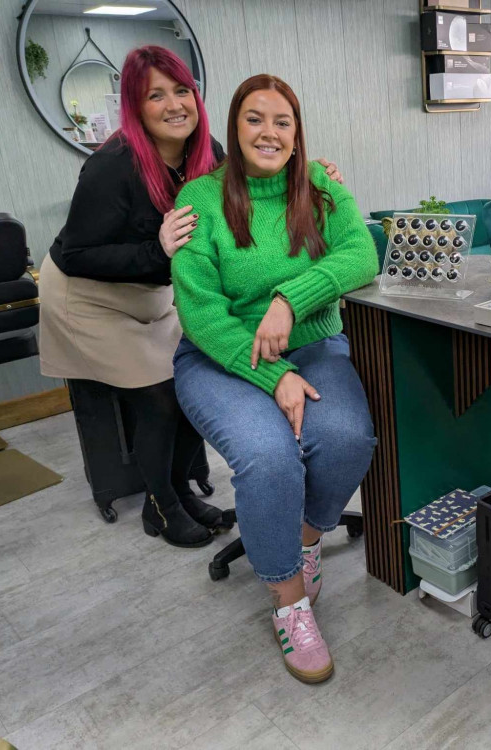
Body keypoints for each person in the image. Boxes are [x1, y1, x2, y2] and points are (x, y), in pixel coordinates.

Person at [39, 47, 344, 549]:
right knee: (158, 394)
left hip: (153, 288)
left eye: (182, 90)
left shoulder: (207, 152)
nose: (174, 104)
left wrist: (313, 176)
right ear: (135, 106)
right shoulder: (111, 166)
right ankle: (159, 506)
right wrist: (154, 248)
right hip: (89, 295)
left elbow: (253, 181)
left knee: (182, 387)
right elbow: (79, 254)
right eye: (155, 95)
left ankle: (178, 489)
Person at [171, 74, 378, 684]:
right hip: (220, 358)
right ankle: (289, 605)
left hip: (313, 343)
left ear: (297, 133)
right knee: (268, 457)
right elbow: (202, 313)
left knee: (346, 439)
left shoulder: (317, 184)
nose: (268, 131)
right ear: (233, 129)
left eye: (282, 121)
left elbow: (361, 253)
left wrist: (291, 298)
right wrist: (274, 374)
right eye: (254, 119)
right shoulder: (201, 200)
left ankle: (306, 540)